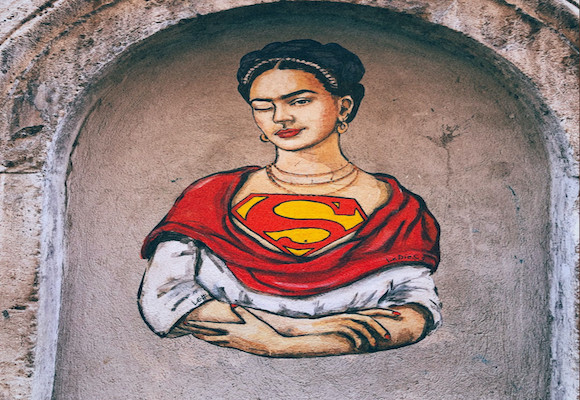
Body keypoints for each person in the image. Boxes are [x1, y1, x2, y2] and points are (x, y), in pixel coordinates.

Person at [138, 40, 441, 357]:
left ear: (344, 107)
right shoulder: (209, 197)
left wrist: (286, 343)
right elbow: (166, 299)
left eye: (299, 101)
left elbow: (415, 311)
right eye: (263, 107)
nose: (281, 117)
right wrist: (294, 330)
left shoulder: (397, 207)